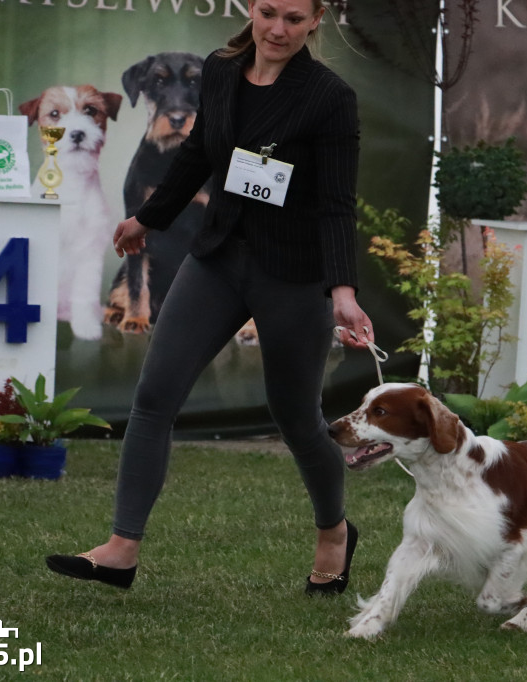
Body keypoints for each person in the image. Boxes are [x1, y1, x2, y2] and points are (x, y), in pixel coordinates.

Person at [46, 0, 373, 596]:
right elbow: (196, 156)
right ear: (252, 8)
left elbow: (336, 204)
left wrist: (342, 292)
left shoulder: (329, 96)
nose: (277, 29)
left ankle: (334, 532)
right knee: (153, 397)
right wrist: (148, 217)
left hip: (292, 275)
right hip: (217, 256)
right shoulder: (220, 70)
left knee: (297, 419)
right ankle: (121, 550)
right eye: (268, 12)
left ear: (315, 22)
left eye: (294, 19)